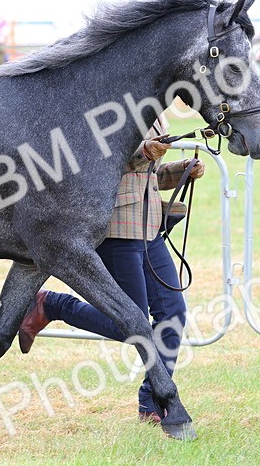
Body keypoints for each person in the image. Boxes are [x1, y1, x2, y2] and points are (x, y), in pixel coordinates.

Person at [17, 117, 204, 426]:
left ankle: (153, 401)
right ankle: (51, 305)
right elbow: (97, 161)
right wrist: (143, 152)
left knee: (173, 313)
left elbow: (148, 177)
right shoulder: (111, 108)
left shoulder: (155, 109)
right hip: (115, 226)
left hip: (149, 228)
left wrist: (181, 171)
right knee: (128, 323)